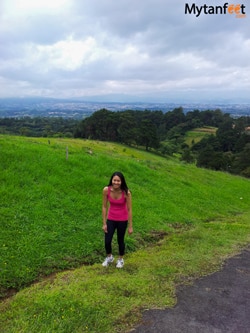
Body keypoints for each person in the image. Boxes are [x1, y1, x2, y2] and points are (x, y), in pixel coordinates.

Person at [102, 171, 133, 268]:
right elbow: (104, 206)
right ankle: (109, 257)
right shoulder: (106, 190)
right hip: (111, 218)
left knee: (120, 240)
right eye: (114, 180)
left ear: (122, 181)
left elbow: (129, 209)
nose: (116, 182)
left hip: (122, 220)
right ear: (111, 180)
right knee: (107, 240)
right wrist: (104, 223)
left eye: (118, 181)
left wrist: (130, 226)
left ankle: (120, 259)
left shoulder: (126, 192)